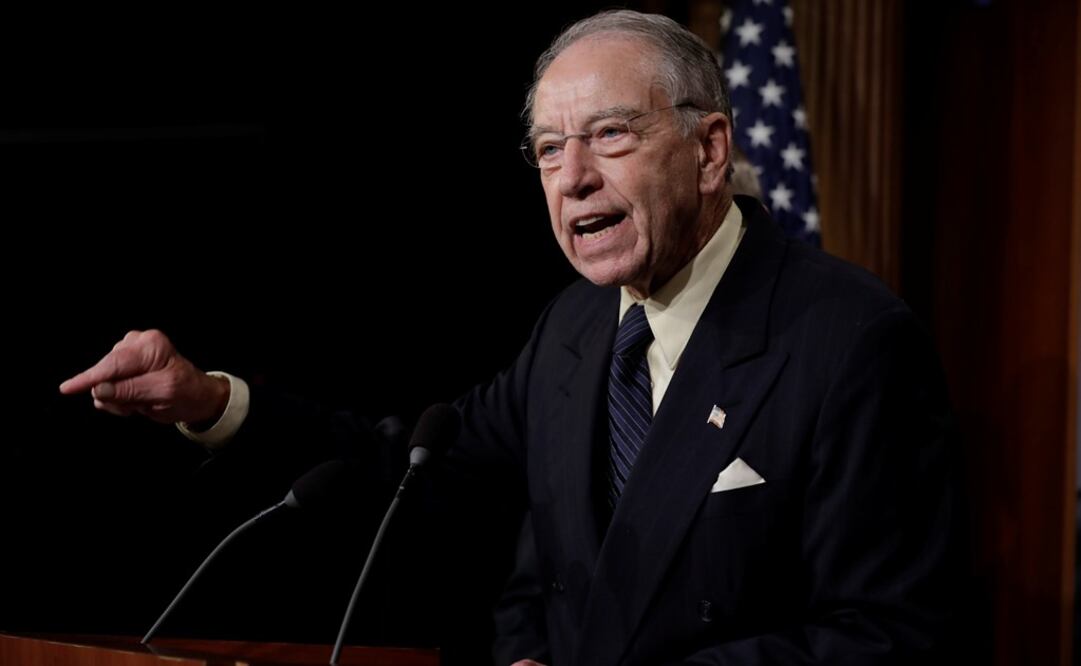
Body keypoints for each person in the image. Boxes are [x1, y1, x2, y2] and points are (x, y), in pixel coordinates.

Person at [60, 10, 963, 665]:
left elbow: (892, 635)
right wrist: (215, 403)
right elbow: (413, 475)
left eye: (609, 135)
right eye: (546, 149)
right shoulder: (573, 329)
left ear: (710, 150)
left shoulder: (849, 340)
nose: (571, 178)